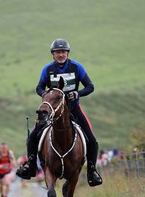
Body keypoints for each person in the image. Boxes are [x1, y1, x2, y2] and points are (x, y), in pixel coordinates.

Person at [16, 38, 102, 187]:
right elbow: (39, 88)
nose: (60, 55)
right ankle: (30, 166)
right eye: (57, 52)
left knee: (92, 140)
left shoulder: (77, 67)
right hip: (53, 111)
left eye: (63, 52)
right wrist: (46, 94)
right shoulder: (47, 70)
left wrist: (77, 93)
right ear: (53, 54)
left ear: (67, 53)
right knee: (32, 137)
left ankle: (92, 172)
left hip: (73, 109)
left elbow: (90, 86)